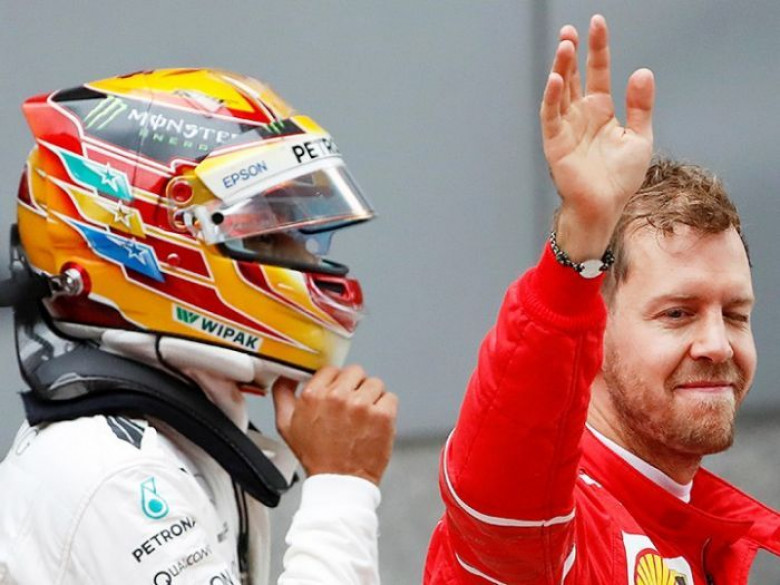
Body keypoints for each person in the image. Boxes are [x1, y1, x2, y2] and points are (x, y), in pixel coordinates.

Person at [0, 68, 397, 585]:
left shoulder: (167, 438)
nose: (304, 258)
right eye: (266, 237)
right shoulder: (114, 473)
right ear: (151, 246)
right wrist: (342, 487)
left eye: (298, 235)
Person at [424, 15, 779, 584]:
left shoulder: (690, 528)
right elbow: (503, 474)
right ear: (596, 328)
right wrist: (580, 240)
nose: (717, 344)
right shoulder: (547, 531)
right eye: (677, 313)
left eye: (736, 314)